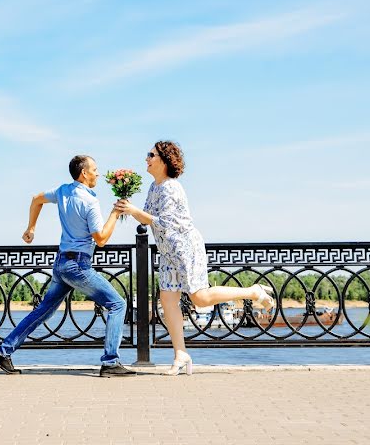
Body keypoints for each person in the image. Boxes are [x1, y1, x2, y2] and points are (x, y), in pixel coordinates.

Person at [116, 141, 275, 376]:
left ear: (164, 159)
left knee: (200, 298)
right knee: (168, 300)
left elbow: (164, 222)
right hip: (168, 252)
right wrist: (126, 205)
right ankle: (180, 354)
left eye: (151, 155)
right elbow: (145, 219)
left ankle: (253, 292)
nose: (146, 159)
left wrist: (134, 211)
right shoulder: (154, 186)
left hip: (185, 248)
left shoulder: (171, 187)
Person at [0, 154, 136, 377]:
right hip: (78, 266)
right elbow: (101, 239)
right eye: (94, 169)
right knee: (117, 304)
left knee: (44, 311)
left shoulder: (63, 190)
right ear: (84, 173)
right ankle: (110, 362)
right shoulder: (90, 201)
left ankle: (3, 352)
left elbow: (36, 199)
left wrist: (31, 228)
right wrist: (115, 213)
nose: (97, 173)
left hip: (61, 264)